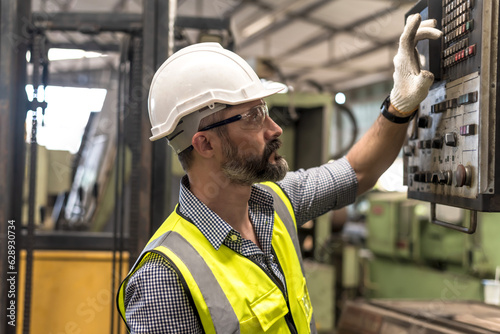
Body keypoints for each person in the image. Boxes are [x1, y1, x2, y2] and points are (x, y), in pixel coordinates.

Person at [117, 14, 441, 333]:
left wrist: (399, 105)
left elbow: (357, 171)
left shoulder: (277, 202)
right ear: (204, 144)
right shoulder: (163, 278)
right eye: (253, 117)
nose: (275, 129)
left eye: (266, 112)